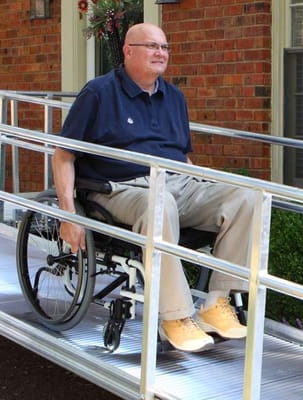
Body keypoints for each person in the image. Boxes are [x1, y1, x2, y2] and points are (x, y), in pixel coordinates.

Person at [52, 22, 254, 353]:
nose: (160, 53)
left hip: (175, 181)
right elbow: (63, 156)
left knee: (245, 198)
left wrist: (205, 188)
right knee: (160, 204)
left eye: (164, 47)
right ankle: (175, 317)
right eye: (151, 46)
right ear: (128, 51)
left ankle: (218, 303)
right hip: (118, 187)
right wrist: (68, 214)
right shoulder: (98, 93)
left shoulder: (174, 97)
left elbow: (182, 155)